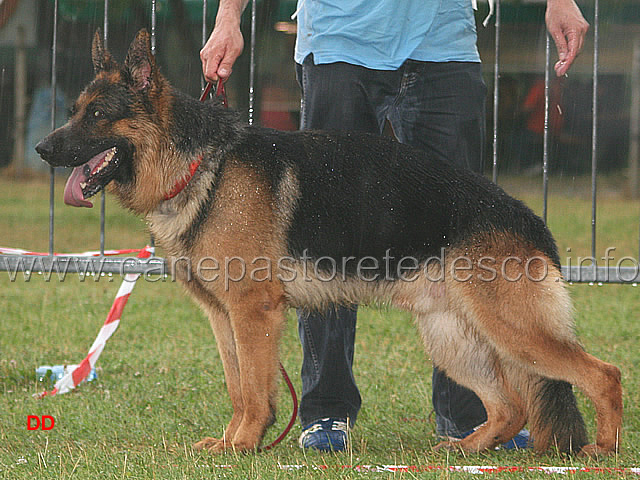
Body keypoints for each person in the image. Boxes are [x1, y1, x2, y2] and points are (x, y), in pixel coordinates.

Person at [201, 0, 589, 452]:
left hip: (443, 44)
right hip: (339, 43)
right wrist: (228, 16)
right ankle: (326, 411)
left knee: (463, 245)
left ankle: (470, 418)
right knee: (321, 244)